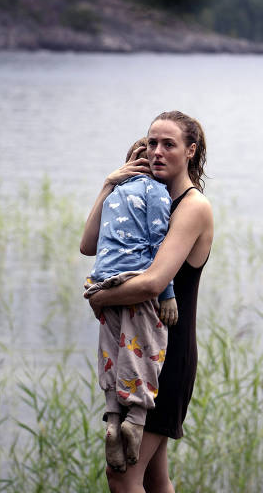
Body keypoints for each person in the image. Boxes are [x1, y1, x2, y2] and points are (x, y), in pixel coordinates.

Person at [81, 110, 213, 493]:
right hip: (136, 349)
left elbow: (154, 283)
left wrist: (100, 296)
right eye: (151, 142)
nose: (157, 151)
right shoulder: (139, 197)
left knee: (121, 477)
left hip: (165, 358)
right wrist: (109, 184)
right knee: (156, 479)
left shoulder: (192, 207)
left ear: (190, 151)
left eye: (168, 144)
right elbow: (89, 245)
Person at [81, 138, 179, 473]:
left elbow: (88, 246)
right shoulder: (157, 192)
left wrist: (109, 183)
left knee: (112, 350)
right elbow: (158, 245)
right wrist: (167, 294)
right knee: (144, 349)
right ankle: (134, 420)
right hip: (135, 281)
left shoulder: (114, 196)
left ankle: (111, 418)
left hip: (101, 279)